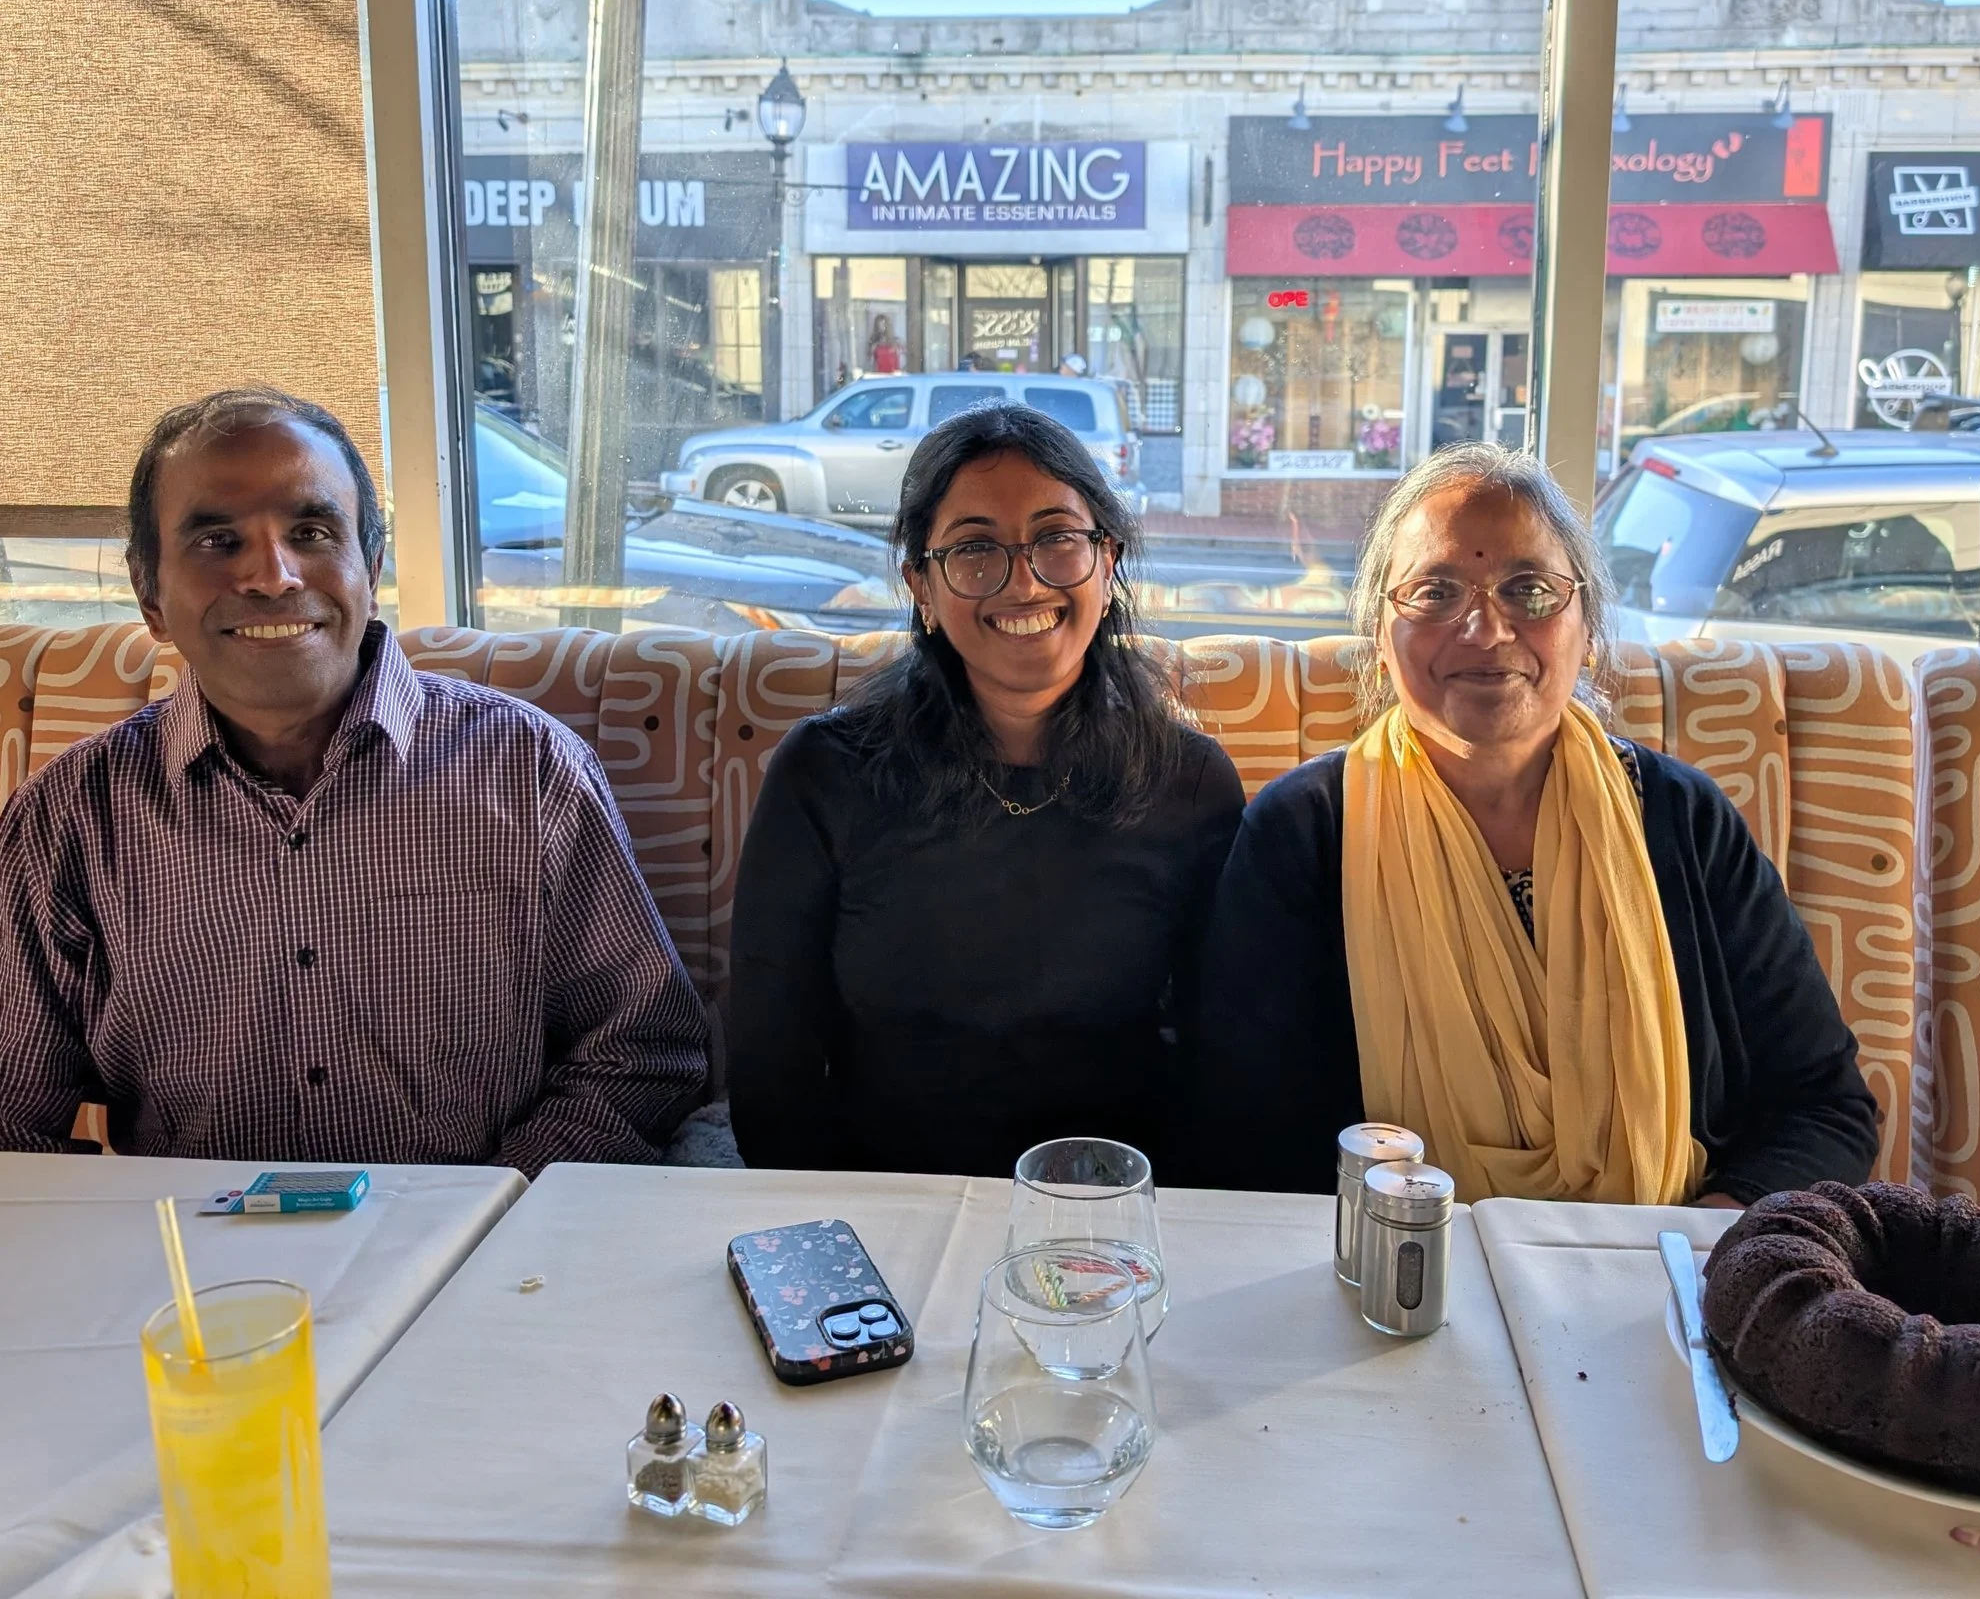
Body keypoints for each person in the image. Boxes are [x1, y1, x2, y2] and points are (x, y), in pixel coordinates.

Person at [0, 388, 708, 1172]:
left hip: (479, 1252)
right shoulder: (74, 814)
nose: (272, 575)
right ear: (149, 593)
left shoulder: (526, 769)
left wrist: (491, 1212)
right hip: (193, 1273)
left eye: (310, 530)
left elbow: (639, 1052)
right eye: (218, 540)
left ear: (372, 562)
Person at [1184, 444, 1877, 1205]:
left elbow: (1825, 1106)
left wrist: (1687, 1246)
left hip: (1659, 1277)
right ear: (1382, 639)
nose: (1484, 630)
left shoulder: (1683, 822)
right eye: (1435, 591)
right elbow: (1239, 1135)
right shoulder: (1303, 833)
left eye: (1530, 590)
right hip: (1391, 1280)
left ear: (1586, 629)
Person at [727, 403, 1244, 1177]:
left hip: (1113, 1211)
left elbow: (1224, 1050)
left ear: (1107, 561)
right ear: (921, 587)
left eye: (1057, 540)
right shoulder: (826, 773)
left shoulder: (1191, 780)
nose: (1024, 582)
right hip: (887, 1202)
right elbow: (773, 1071)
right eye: (974, 549)